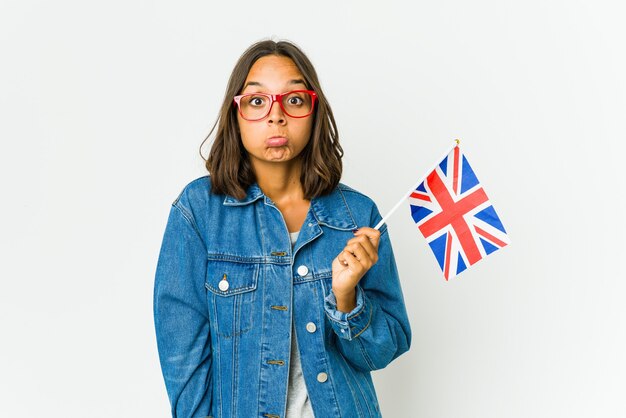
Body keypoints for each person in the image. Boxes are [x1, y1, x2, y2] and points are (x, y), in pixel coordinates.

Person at [153, 39, 411, 418]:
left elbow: (382, 352)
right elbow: (183, 362)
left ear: (313, 111)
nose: (276, 116)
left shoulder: (358, 216)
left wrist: (346, 298)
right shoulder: (198, 213)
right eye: (257, 101)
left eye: (293, 100)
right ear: (235, 114)